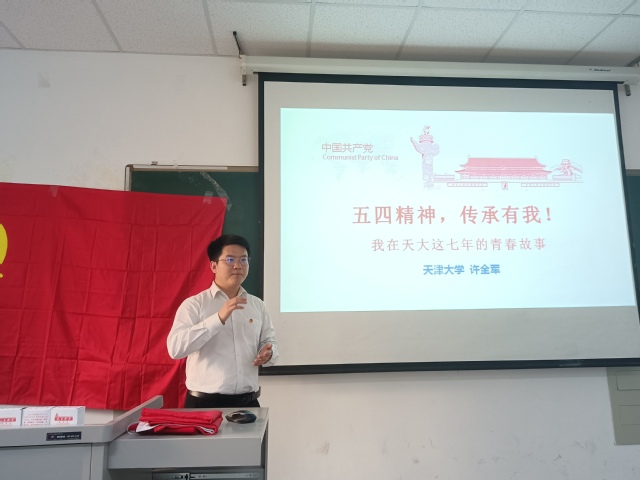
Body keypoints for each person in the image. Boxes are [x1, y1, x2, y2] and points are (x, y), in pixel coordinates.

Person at [167, 234, 278, 408]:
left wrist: (268, 353)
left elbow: (269, 342)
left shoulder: (258, 305)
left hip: (248, 404)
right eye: (230, 259)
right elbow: (175, 349)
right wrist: (218, 318)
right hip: (203, 404)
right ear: (213, 266)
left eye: (243, 260)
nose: (238, 265)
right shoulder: (194, 304)